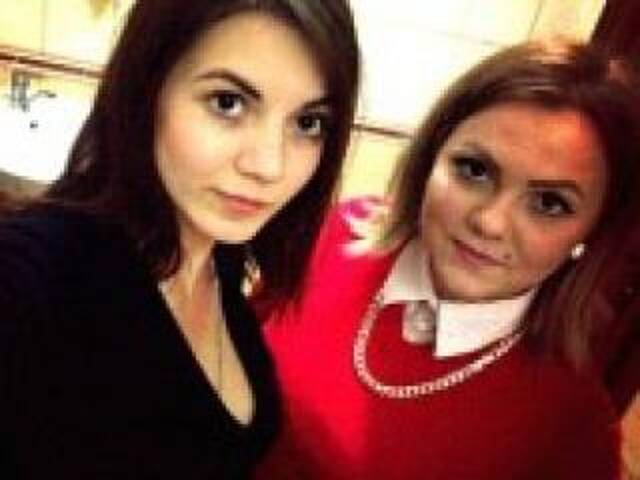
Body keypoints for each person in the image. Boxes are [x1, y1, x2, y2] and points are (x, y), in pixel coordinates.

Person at [0, 0, 360, 477]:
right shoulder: (35, 277)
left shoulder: (221, 256)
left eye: (308, 123)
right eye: (227, 103)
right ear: (147, 87)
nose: (269, 166)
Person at [256, 39, 640, 479]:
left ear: (594, 230)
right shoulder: (340, 231)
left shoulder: (572, 423)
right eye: (474, 170)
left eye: (549, 203)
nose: (489, 222)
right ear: (430, 157)